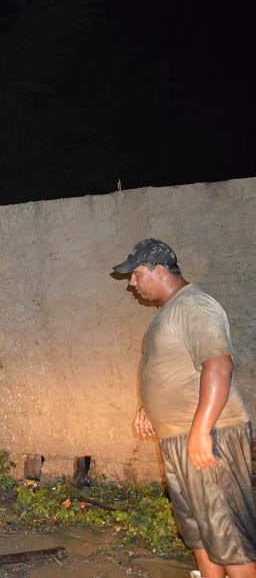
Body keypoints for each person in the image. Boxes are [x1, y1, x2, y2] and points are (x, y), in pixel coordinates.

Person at [115, 238, 256, 578]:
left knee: (228, 533)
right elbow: (176, 368)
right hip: (180, 436)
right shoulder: (171, 310)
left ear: (159, 269)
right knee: (199, 531)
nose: (132, 283)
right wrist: (148, 406)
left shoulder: (195, 305)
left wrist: (201, 430)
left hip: (211, 435)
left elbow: (218, 366)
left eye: (136, 274)